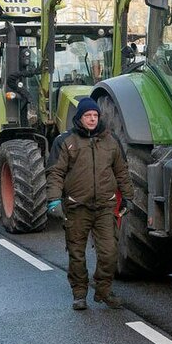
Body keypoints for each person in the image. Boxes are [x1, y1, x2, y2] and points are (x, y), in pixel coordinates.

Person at [46, 97, 134, 311]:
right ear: (80, 118)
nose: (92, 119)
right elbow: (55, 172)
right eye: (88, 116)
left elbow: (121, 171)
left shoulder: (111, 141)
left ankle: (103, 291)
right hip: (77, 207)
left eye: (95, 115)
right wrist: (54, 200)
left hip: (105, 206)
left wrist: (128, 196)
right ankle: (79, 294)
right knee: (76, 253)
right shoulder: (66, 141)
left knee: (109, 252)